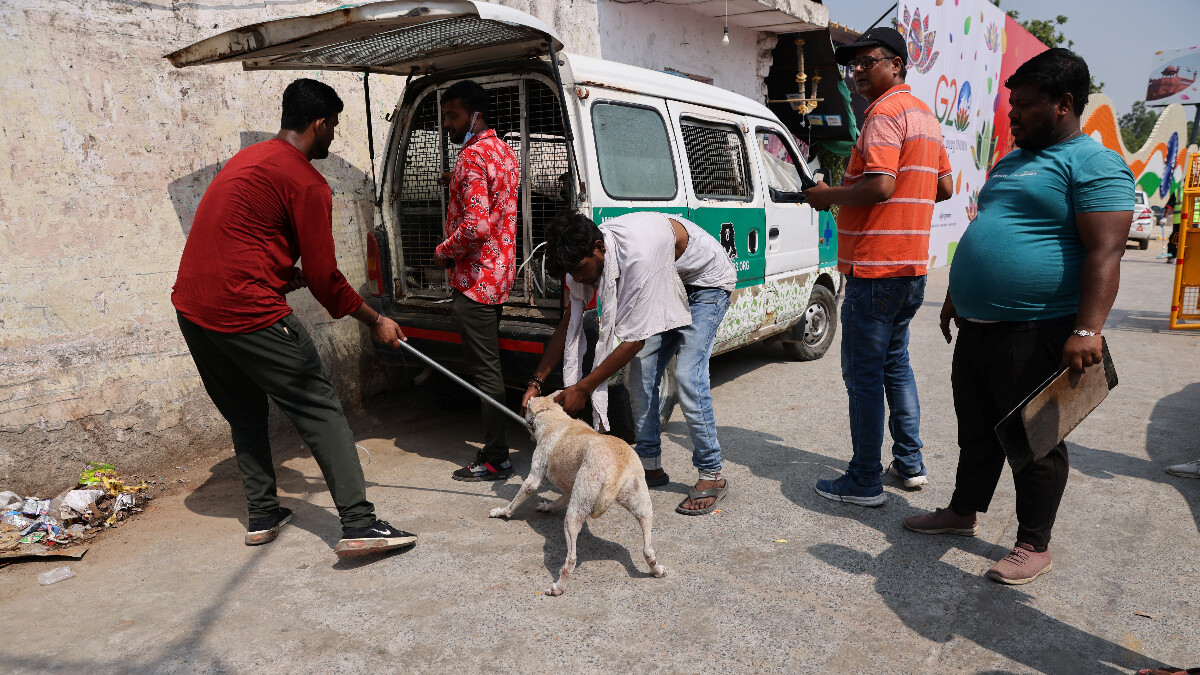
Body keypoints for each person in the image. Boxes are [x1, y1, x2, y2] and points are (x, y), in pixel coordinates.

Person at [902, 49, 1134, 585]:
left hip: (1040, 329)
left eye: (1025, 106)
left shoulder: (1092, 163)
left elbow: (1106, 252)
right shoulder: (1011, 160)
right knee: (976, 428)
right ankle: (963, 511)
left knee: (1037, 437)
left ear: (1063, 104)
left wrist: (1086, 330)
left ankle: (1033, 542)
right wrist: (960, 292)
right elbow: (993, 225)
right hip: (980, 327)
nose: (1013, 117)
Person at [172, 78, 416, 556]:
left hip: (192, 308)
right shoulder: (306, 181)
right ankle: (359, 523)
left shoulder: (247, 161)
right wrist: (375, 320)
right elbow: (327, 280)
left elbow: (239, 239)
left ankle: (263, 515)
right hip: (245, 309)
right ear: (319, 123)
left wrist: (282, 272)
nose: (333, 138)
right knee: (320, 408)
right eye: (335, 127)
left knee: (244, 412)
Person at [803, 26, 953, 506]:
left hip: (876, 268)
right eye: (853, 64)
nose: (857, 72)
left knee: (865, 376)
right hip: (911, 269)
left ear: (897, 66)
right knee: (896, 365)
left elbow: (882, 185)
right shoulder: (925, 117)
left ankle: (864, 480)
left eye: (868, 62)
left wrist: (828, 196)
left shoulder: (884, 113)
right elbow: (945, 188)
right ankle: (909, 463)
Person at [522, 212, 737, 515]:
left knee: (688, 375)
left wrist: (584, 388)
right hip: (669, 281)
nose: (580, 279)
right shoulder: (583, 259)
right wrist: (536, 382)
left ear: (599, 248)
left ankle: (712, 475)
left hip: (704, 285)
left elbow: (633, 339)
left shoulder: (639, 254)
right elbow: (569, 322)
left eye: (581, 269)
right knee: (642, 372)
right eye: (572, 273)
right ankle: (649, 465)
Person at [433, 80, 521, 483]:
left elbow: (477, 227)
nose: (447, 124)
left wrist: (442, 251)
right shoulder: (504, 153)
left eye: (453, 116)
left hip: (474, 282)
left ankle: (496, 457)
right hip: (499, 276)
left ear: (476, 115)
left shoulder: (471, 158)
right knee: (491, 368)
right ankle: (498, 448)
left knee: (486, 372)